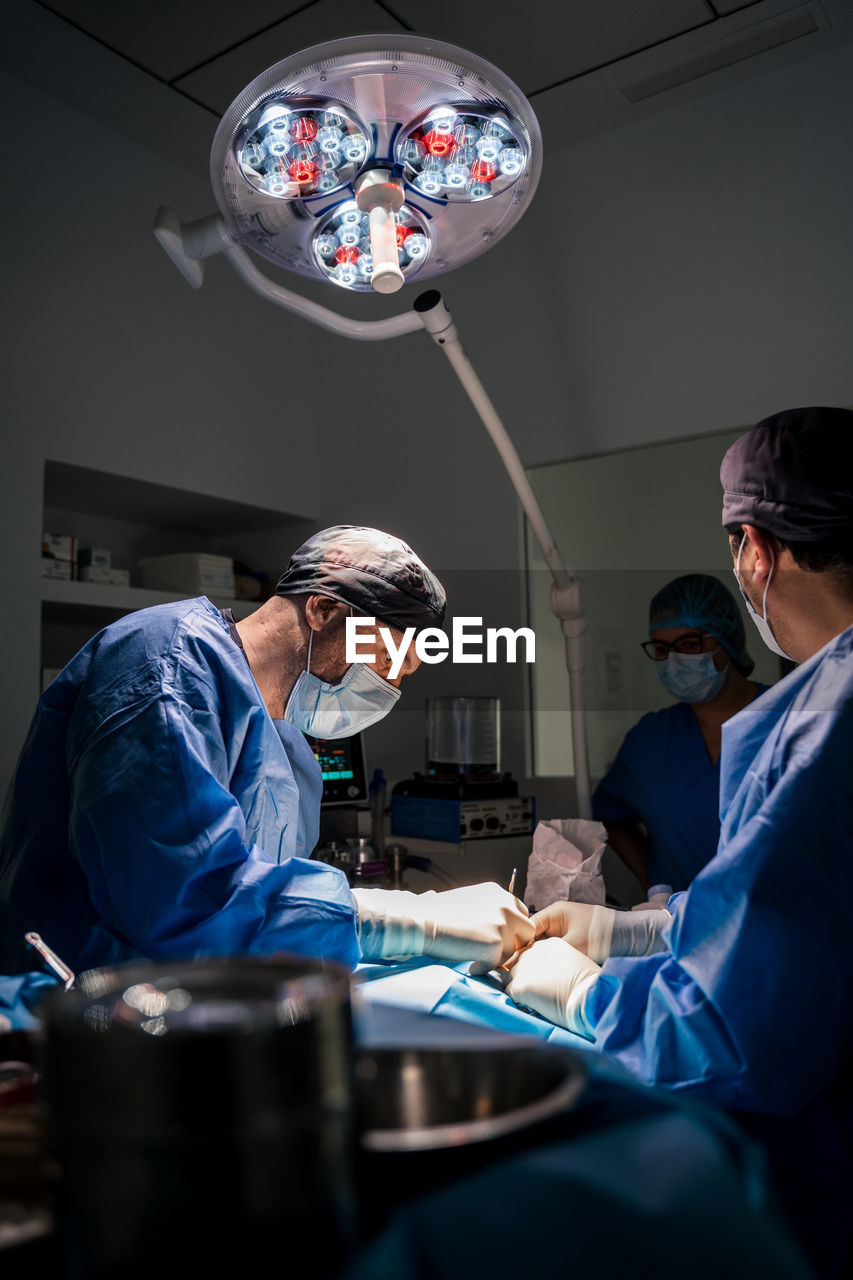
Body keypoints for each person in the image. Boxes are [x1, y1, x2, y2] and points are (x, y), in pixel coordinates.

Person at [501, 407, 853, 1279]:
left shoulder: (819, 728)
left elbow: (733, 1038)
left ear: (753, 550)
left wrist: (587, 996)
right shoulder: (811, 714)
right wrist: (636, 928)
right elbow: (811, 914)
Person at [0, 525, 533, 977]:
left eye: (405, 671)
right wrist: (411, 920)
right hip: (81, 1001)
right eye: (387, 655)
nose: (390, 683)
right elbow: (186, 904)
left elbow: (262, 909)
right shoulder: (165, 667)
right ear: (323, 608)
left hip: (203, 1000)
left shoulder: (286, 744)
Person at [593, 573, 767, 894]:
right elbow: (610, 817)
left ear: (726, 639)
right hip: (682, 932)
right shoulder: (650, 740)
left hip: (779, 928)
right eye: (661, 648)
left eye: (690, 644)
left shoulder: (788, 717)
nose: (675, 659)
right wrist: (654, 884)